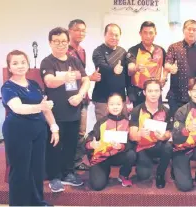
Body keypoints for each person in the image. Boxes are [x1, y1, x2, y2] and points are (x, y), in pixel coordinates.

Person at [2, 50, 59, 206]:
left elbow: (46, 108)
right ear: (9, 67)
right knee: (20, 171)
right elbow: (18, 108)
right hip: (17, 132)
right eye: (15, 63)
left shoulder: (34, 84)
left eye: (23, 62)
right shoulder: (7, 87)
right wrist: (41, 106)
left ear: (27, 64)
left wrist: (54, 127)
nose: (20, 66)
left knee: (37, 170)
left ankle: (37, 202)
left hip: (38, 131)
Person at [40, 27, 90, 192]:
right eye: (56, 41)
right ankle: (54, 176)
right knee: (55, 145)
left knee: (71, 145)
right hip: (55, 114)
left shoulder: (74, 60)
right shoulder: (47, 62)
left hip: (73, 111)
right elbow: (49, 82)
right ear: (50, 43)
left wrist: (80, 96)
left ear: (68, 42)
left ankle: (68, 173)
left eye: (63, 41)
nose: (60, 45)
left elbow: (86, 80)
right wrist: (65, 78)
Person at [86, 93, 137, 191]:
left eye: (118, 104)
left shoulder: (127, 122)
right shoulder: (101, 122)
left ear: (122, 106)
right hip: (102, 157)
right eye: (112, 104)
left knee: (131, 154)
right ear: (107, 106)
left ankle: (123, 175)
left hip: (118, 155)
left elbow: (131, 143)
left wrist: (121, 147)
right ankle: (105, 171)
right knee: (97, 186)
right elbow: (91, 137)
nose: (115, 107)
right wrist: (91, 144)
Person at [129, 79, 173, 189]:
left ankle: (160, 174)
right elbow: (132, 136)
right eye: (150, 91)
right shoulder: (136, 110)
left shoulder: (166, 111)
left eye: (156, 91)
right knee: (144, 176)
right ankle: (144, 162)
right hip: (143, 147)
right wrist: (140, 134)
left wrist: (164, 136)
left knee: (168, 146)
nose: (153, 94)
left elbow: (170, 132)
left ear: (160, 92)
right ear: (144, 92)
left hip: (159, 145)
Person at [165, 20, 196, 118]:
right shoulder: (174, 47)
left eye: (194, 30)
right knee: (178, 127)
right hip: (176, 95)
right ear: (183, 30)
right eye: (189, 29)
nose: (191, 32)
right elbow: (167, 64)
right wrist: (171, 68)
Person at [68, 19, 92, 171]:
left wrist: (90, 78)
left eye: (83, 30)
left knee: (81, 132)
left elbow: (82, 75)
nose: (80, 33)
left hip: (83, 96)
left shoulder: (82, 51)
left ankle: (76, 161)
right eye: (77, 30)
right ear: (69, 31)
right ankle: (66, 163)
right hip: (68, 98)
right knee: (68, 131)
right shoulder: (65, 51)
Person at [92, 23, 129, 121]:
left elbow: (127, 73)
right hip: (103, 99)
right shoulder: (98, 51)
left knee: (122, 129)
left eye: (116, 35)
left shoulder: (122, 51)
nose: (114, 37)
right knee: (103, 129)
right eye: (111, 34)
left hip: (120, 99)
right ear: (105, 35)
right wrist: (114, 69)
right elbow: (101, 66)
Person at [127, 21, 167, 106]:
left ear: (155, 34)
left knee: (157, 117)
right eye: (145, 33)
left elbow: (166, 66)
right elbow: (130, 70)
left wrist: (164, 78)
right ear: (140, 33)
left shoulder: (160, 50)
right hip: (139, 92)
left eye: (151, 33)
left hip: (156, 92)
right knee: (139, 117)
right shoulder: (133, 50)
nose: (148, 36)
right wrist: (135, 68)